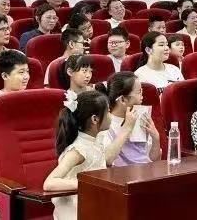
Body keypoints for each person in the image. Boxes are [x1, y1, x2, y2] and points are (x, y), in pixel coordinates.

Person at [43, 90, 109, 220]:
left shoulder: (95, 141)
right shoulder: (78, 150)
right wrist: (85, 184)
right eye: (108, 112)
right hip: (76, 212)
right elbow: (49, 183)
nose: (111, 116)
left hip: (93, 206)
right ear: (95, 119)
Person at [94, 71, 161, 166]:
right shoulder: (105, 122)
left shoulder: (141, 114)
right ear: (122, 99)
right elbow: (107, 160)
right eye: (139, 92)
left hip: (145, 172)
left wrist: (156, 138)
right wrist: (127, 128)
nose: (142, 95)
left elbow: (153, 160)